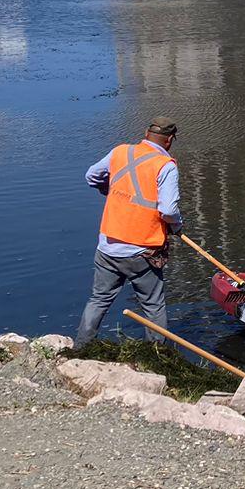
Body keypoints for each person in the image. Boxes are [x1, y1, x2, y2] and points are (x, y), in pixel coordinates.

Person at [74, 117, 183, 347]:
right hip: (142, 250)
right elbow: (169, 209)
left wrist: (111, 191)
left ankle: (80, 348)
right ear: (170, 140)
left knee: (99, 300)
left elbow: (91, 176)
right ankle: (158, 356)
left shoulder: (120, 152)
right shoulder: (166, 166)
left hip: (108, 244)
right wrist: (176, 226)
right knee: (153, 305)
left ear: (145, 132)